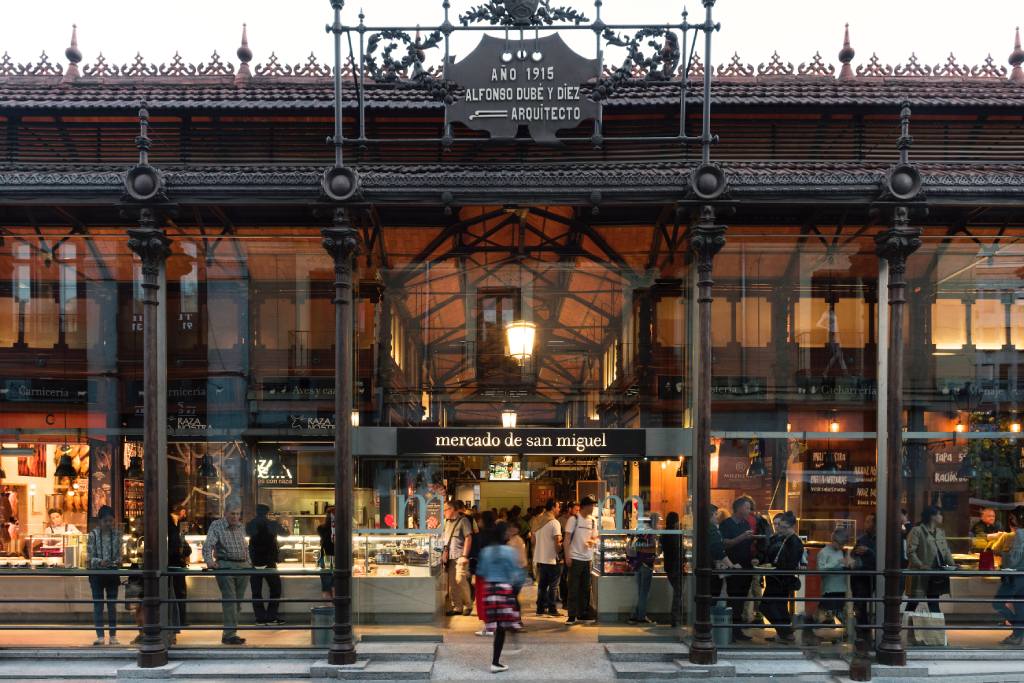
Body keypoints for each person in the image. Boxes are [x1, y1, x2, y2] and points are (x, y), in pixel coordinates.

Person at [477, 522, 526, 674]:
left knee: (496, 624)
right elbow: (516, 574)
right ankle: (496, 662)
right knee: (502, 627)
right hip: (504, 589)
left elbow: (481, 571)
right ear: (504, 534)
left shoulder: (485, 552)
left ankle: (496, 661)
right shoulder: (510, 552)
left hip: (489, 590)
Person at [202, 507, 250, 645]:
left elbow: (245, 546)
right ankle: (229, 635)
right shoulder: (217, 525)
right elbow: (208, 544)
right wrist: (209, 561)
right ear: (225, 514)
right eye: (232, 514)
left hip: (243, 567)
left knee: (238, 602)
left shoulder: (240, 526)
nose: (235, 517)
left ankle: (232, 633)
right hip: (226, 566)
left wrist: (249, 562)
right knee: (230, 601)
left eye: (238, 514)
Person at [761, 511, 804, 644]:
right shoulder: (784, 538)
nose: (781, 529)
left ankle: (785, 632)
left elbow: (790, 563)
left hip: (781, 579)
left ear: (793, 527)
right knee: (778, 607)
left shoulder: (794, 542)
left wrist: (775, 567)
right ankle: (784, 632)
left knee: (769, 606)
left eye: (785, 527)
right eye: (781, 526)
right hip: (777, 578)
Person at [719, 496, 756, 641]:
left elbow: (747, 546)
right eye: (747, 508)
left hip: (746, 567)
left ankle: (737, 630)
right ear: (739, 508)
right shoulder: (726, 524)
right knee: (733, 598)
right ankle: (731, 631)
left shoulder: (746, 524)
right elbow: (724, 544)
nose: (749, 511)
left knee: (741, 599)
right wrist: (741, 538)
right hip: (733, 567)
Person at [906, 506, 955, 614]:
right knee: (913, 602)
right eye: (939, 514)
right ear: (932, 516)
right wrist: (920, 565)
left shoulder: (940, 532)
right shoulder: (917, 531)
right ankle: (905, 627)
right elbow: (910, 552)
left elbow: (946, 551)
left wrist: (953, 566)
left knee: (933, 603)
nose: (941, 517)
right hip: (921, 573)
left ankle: (937, 629)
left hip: (936, 573)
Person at [246, 504, 288, 626]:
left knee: (256, 592)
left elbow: (247, 535)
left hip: (255, 561)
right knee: (275, 589)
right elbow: (286, 534)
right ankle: (271, 617)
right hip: (269, 561)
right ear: (267, 513)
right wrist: (283, 524)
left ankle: (260, 618)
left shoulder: (250, 524)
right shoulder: (272, 524)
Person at [87, 505, 122, 646]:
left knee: (112, 605)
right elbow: (89, 557)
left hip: (112, 573)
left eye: (111, 521)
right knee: (98, 605)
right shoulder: (93, 535)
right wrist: (100, 562)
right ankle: (100, 636)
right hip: (97, 574)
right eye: (106, 521)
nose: (109, 524)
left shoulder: (117, 535)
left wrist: (118, 561)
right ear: (99, 521)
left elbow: (120, 555)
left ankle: (113, 636)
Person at [563, 495, 599, 625]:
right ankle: (571, 615)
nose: (593, 507)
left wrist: (592, 541)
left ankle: (582, 613)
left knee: (585, 588)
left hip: (588, 558)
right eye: (591, 505)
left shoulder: (593, 521)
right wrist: (567, 556)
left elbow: (595, 537)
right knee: (573, 587)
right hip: (575, 558)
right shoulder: (574, 519)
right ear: (585, 506)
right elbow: (566, 539)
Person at [995, 510, 1024, 645]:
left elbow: (1014, 559)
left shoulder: (1020, 534)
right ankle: (1017, 634)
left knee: (997, 603)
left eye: (1012, 517)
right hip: (1021, 575)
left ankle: (1018, 630)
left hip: (1015, 575)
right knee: (1019, 605)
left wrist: (1003, 555)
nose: (1011, 521)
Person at [815, 527, 852, 628]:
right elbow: (820, 570)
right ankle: (827, 634)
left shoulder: (842, 552)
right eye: (840, 544)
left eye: (843, 544)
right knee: (827, 616)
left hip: (841, 589)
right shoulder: (824, 552)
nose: (841, 546)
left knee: (837, 615)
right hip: (829, 590)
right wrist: (837, 563)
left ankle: (835, 635)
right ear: (834, 540)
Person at [442, 500, 474, 616]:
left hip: (460, 556)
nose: (444, 512)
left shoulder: (463, 521)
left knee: (460, 580)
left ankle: (468, 605)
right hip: (449, 557)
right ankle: (457, 607)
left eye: (445, 510)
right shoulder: (446, 522)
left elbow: (468, 538)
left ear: (452, 509)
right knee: (452, 584)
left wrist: (465, 555)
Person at [533, 499, 563, 617]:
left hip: (540, 558)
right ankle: (552, 608)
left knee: (542, 585)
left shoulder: (538, 521)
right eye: (558, 507)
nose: (559, 509)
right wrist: (560, 552)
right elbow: (557, 542)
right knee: (553, 586)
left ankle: (540, 608)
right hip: (552, 558)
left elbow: (533, 540)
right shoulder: (554, 523)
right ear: (553, 507)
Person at [851, 512, 877, 643]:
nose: (865, 524)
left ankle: (873, 630)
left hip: (875, 576)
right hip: (861, 577)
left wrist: (868, 552)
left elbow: (882, 558)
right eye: (865, 521)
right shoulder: (862, 539)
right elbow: (853, 554)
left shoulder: (882, 539)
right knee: (860, 604)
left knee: (878, 603)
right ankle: (862, 630)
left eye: (869, 521)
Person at [628, 513, 659, 624]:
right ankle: (641, 617)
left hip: (637, 564)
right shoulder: (649, 532)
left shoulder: (637, 530)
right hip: (646, 564)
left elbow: (634, 546)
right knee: (644, 593)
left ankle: (635, 615)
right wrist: (655, 552)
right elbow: (650, 547)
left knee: (640, 592)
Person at [471, 511, 498, 636]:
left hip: (483, 571)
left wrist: (472, 571)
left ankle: (489, 626)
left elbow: (476, 554)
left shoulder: (479, 536)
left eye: (480, 520)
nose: (478, 522)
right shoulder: (498, 534)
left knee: (483, 597)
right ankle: (494, 625)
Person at [168, 504, 191, 639]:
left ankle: (178, 622)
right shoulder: (175, 529)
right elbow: (183, 547)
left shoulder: (176, 528)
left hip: (175, 565)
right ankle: (179, 621)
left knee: (175, 595)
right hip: (176, 566)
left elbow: (184, 546)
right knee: (179, 594)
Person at [662, 511, 684, 628]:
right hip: (676, 567)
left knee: (677, 592)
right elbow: (678, 551)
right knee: (678, 593)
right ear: (676, 521)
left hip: (668, 566)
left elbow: (662, 548)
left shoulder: (664, 533)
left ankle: (675, 618)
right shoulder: (675, 534)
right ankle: (676, 618)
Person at [317, 506, 335, 600]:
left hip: (325, 559)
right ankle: (338, 612)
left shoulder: (320, 528)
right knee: (336, 589)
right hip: (338, 560)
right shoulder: (342, 528)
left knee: (326, 590)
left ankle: (332, 612)